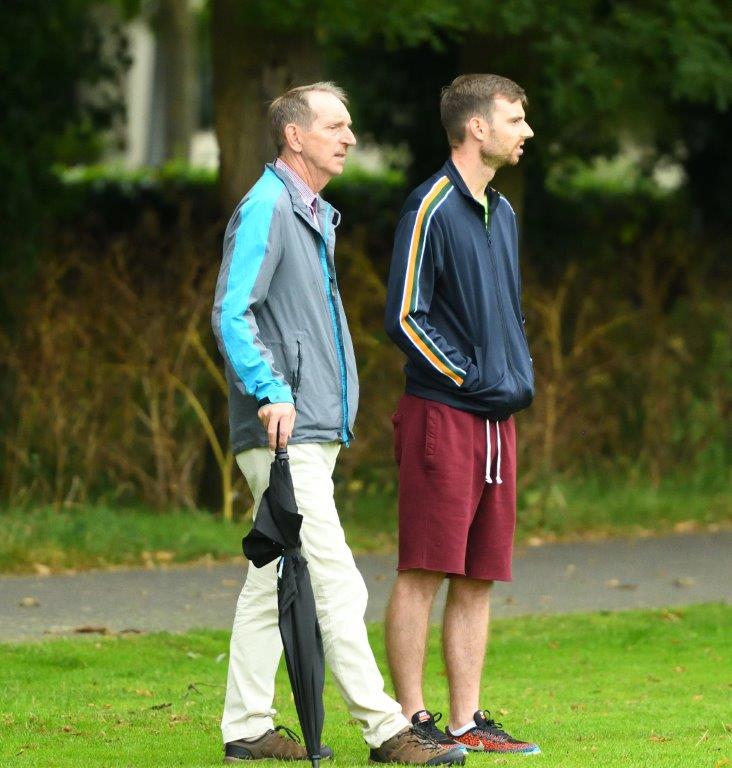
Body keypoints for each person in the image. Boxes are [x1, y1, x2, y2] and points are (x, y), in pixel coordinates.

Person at [212, 82, 465, 766]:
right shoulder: (267, 207)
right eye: (336, 126)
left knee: (271, 581)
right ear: (296, 136)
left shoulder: (310, 213)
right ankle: (387, 731)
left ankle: (246, 728)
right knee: (336, 580)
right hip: (279, 430)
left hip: (308, 429)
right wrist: (268, 390)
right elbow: (232, 311)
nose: (349, 137)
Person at [383, 74, 540, 756]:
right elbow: (404, 316)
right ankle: (411, 720)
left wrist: (510, 378)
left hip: (496, 423)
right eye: (515, 117)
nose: (526, 130)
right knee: (424, 568)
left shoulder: (501, 213)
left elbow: (506, 315)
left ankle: (465, 721)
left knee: (478, 574)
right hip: (442, 416)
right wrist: (470, 378)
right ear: (476, 127)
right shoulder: (430, 206)